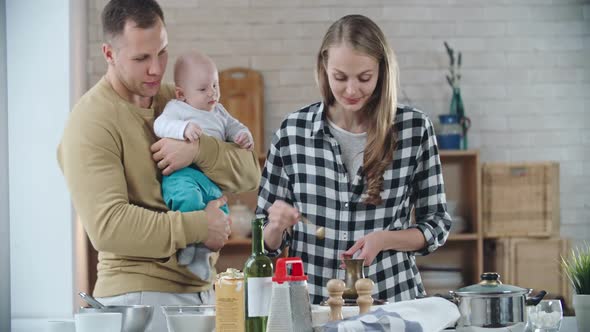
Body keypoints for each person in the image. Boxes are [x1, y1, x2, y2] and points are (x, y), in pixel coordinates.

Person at [57, 0, 260, 331]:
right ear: (109, 53)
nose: (156, 69)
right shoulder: (90, 122)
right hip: (139, 298)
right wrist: (199, 226)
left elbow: (250, 173)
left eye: (161, 52)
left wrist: (197, 151)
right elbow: (109, 227)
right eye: (141, 59)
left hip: (201, 292)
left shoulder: (178, 98)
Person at [257, 14, 452, 304]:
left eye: (364, 78)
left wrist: (384, 239)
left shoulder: (414, 129)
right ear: (324, 68)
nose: (351, 90)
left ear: (382, 71)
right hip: (314, 307)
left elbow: (436, 223)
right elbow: (263, 241)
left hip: (393, 302)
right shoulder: (293, 132)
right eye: (340, 77)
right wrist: (274, 227)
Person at [153, 50, 254, 282]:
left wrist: (242, 135)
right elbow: (161, 125)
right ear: (181, 94)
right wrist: (183, 129)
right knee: (189, 201)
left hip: (210, 178)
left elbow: (233, 125)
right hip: (183, 175)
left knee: (221, 215)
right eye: (203, 89)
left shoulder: (218, 110)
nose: (212, 94)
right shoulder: (177, 109)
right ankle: (188, 249)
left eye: (215, 86)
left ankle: (202, 256)